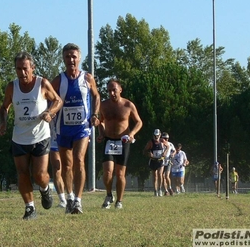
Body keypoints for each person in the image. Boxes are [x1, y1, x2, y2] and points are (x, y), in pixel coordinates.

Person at [0, 52, 63, 220]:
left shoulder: (42, 84)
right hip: (19, 136)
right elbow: (4, 107)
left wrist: (49, 112)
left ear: (32, 68)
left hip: (40, 135)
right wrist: (3, 122)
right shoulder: (12, 87)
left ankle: (45, 189)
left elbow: (58, 101)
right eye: (18, 69)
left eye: (25, 69)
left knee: (40, 175)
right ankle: (30, 208)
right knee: (22, 173)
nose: (22, 73)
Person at [51, 43, 100, 214]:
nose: (71, 59)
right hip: (63, 128)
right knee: (66, 166)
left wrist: (95, 114)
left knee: (79, 160)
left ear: (79, 58)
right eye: (67, 56)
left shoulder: (87, 78)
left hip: (82, 128)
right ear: (63, 59)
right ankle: (70, 197)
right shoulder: (58, 80)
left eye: (74, 56)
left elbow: (96, 96)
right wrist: (50, 112)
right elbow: (49, 98)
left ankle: (78, 200)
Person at [97, 79, 143, 209]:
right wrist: (101, 133)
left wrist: (132, 134)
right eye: (109, 91)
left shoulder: (128, 105)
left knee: (120, 173)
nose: (111, 93)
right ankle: (109, 195)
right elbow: (100, 121)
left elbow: (139, 122)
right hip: (108, 140)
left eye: (114, 90)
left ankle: (119, 201)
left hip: (123, 141)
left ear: (120, 90)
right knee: (107, 172)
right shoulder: (103, 105)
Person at [144, 129, 169, 196]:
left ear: (160, 135)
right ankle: (155, 190)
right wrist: (149, 153)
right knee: (155, 176)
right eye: (155, 136)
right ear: (153, 135)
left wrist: (165, 152)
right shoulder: (151, 142)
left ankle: (160, 189)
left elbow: (168, 146)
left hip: (160, 160)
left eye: (157, 136)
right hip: (153, 160)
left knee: (160, 174)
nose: (156, 137)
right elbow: (145, 150)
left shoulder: (162, 141)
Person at [49, 120, 67, 208]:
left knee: (69, 167)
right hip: (54, 139)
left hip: (68, 137)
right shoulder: (47, 105)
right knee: (56, 168)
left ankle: (72, 196)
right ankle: (63, 200)